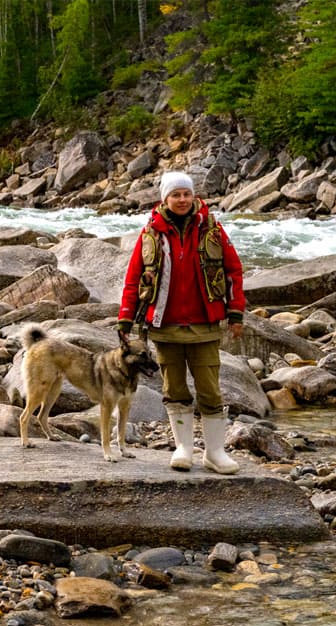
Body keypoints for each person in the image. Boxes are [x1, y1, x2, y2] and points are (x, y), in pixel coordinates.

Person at [118, 171, 246, 474]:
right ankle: (183, 448)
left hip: (205, 324)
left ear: (193, 196)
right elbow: (133, 277)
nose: (182, 200)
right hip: (165, 326)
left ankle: (215, 452)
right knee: (174, 389)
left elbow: (234, 270)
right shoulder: (151, 232)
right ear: (165, 198)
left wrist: (236, 313)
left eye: (186, 194)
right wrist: (125, 317)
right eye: (175, 195)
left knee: (210, 390)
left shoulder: (212, 229)